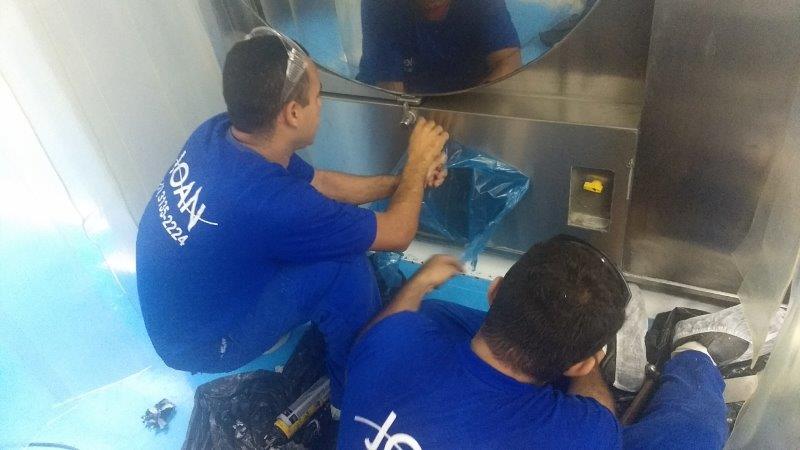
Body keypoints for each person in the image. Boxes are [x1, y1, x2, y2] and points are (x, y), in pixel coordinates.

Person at [135, 30, 449, 407]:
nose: (321, 104)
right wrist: (417, 162)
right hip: (202, 345)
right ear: (293, 113)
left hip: (181, 314)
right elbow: (398, 233)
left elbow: (322, 183)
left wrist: (405, 182)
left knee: (317, 239)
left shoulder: (219, 133)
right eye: (318, 96)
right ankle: (351, 395)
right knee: (344, 265)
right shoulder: (273, 202)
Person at [337, 236, 729, 449]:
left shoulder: (390, 341)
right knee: (693, 434)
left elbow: (392, 328)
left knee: (436, 314)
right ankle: (694, 355)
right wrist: (590, 363)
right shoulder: (581, 433)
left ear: (493, 291)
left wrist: (421, 280)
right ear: (581, 365)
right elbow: (598, 415)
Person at [358, 0, 522, 94]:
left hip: (472, 93)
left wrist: (466, 109)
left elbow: (509, 62)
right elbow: (390, 90)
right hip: (402, 96)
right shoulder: (381, 5)